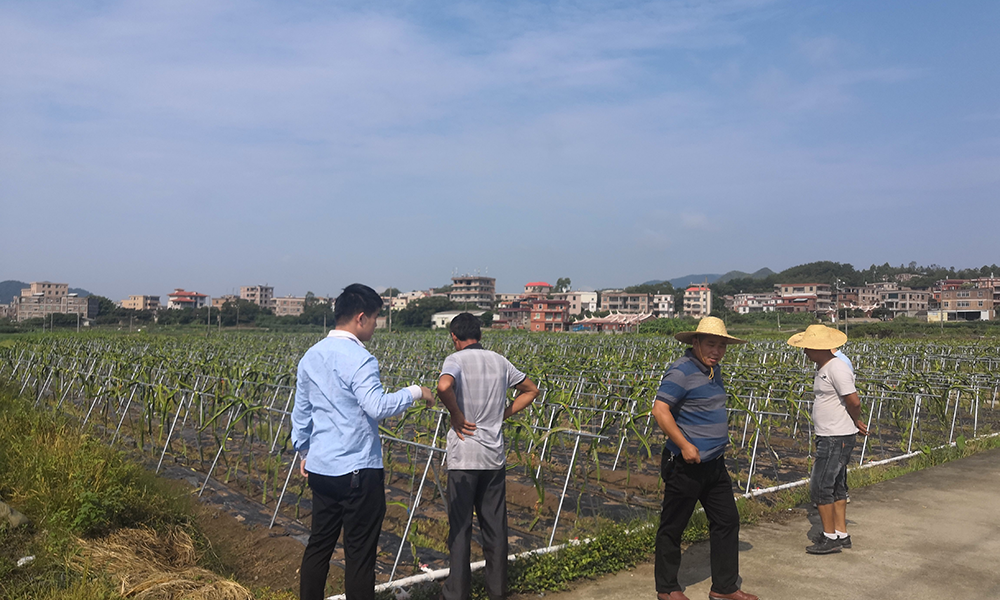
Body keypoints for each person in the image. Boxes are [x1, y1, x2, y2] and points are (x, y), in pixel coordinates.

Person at [291, 283, 434, 600]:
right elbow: (377, 406)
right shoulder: (360, 358)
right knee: (359, 555)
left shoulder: (310, 357)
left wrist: (304, 451)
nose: (375, 325)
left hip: (321, 468)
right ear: (360, 318)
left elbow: (301, 413)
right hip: (357, 471)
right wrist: (416, 392)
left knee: (319, 546)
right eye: (375, 319)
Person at [652, 317, 757, 600]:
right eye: (711, 344)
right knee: (673, 526)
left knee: (727, 521)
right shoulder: (681, 371)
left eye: (722, 346)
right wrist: (685, 444)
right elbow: (660, 410)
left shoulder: (713, 370)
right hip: (686, 465)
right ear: (695, 343)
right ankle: (667, 588)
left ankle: (724, 587)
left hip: (714, 463)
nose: (717, 351)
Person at [436, 312, 539, 600]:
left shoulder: (455, 360)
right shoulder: (500, 361)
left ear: (455, 338)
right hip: (493, 458)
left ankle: (457, 594)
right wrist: (503, 414)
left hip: (464, 456)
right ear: (479, 335)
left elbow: (444, 386)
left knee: (460, 529)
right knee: (495, 528)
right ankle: (497, 592)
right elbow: (531, 390)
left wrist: (456, 414)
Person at [787, 324, 868, 555]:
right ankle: (841, 534)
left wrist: (855, 421)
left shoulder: (837, 368)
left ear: (818, 347)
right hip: (833, 435)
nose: (804, 352)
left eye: (807, 348)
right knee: (837, 486)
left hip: (835, 437)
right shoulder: (825, 366)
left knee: (821, 486)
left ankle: (829, 537)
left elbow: (854, 401)